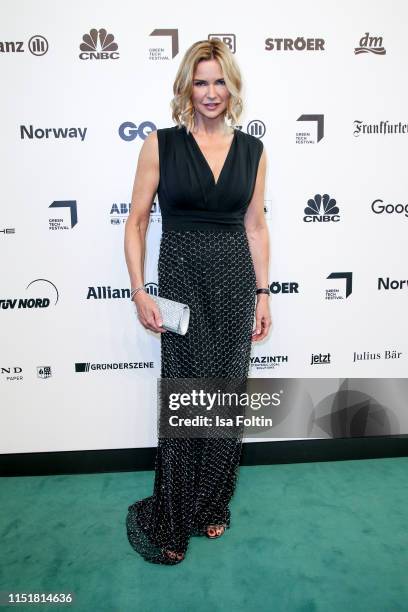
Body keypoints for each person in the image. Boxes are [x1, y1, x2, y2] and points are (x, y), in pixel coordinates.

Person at [124, 39, 271, 565]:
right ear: (187, 86)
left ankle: (211, 502)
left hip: (234, 285)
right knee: (185, 400)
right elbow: (137, 221)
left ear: (232, 87)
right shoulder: (160, 144)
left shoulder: (253, 151)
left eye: (219, 81)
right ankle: (173, 512)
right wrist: (141, 290)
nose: (211, 92)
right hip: (181, 285)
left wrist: (261, 293)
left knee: (223, 399)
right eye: (201, 81)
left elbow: (255, 226)